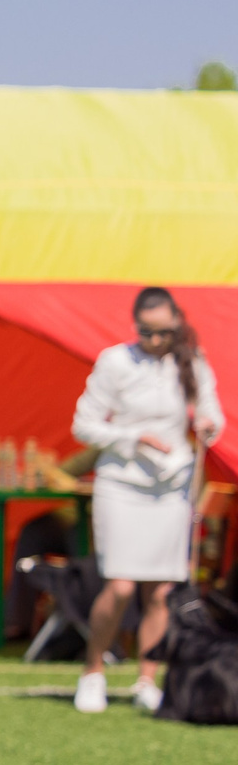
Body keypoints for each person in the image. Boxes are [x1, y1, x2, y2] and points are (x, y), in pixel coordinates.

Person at [71, 286, 225, 714]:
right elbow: (84, 425)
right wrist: (132, 436)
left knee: (160, 592)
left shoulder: (192, 361)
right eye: (146, 333)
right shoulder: (115, 362)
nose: (155, 341)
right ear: (136, 326)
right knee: (120, 585)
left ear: (176, 324)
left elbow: (212, 411)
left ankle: (147, 678)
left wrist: (210, 424)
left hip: (171, 486)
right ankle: (93, 670)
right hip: (122, 483)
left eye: (162, 333)